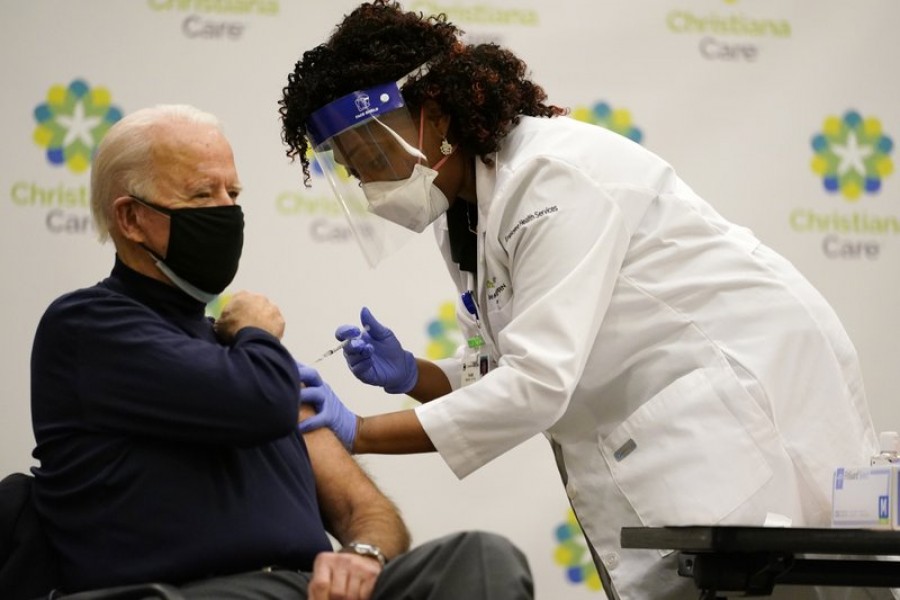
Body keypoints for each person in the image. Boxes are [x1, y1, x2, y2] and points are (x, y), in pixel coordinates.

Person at [278, 3, 891, 599]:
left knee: (787, 588)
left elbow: (538, 384)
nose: (371, 182)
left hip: (737, 400)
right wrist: (418, 376)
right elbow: (512, 370)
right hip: (666, 423)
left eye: (375, 155)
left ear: (435, 113)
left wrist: (357, 432)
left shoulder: (550, 176)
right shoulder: (466, 211)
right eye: (355, 169)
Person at [29, 103, 534, 600]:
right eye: (203, 194)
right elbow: (258, 402)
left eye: (234, 192)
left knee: (482, 558)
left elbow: (367, 511)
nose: (227, 211)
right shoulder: (89, 327)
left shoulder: (248, 359)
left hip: (306, 589)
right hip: (190, 592)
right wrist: (258, 335)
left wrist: (361, 556)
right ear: (133, 219)